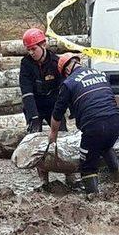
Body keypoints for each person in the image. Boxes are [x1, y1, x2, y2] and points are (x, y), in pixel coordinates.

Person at [48, 53, 119, 194]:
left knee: (87, 164)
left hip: (94, 124)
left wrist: (53, 134)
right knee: (105, 146)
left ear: (66, 70)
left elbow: (57, 113)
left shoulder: (69, 83)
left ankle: (93, 197)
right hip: (116, 120)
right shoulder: (100, 74)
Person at [20, 28, 76, 189]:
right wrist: (33, 117)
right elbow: (26, 91)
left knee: (63, 136)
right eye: (29, 49)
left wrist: (69, 108)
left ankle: (69, 175)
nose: (31, 52)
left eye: (34, 49)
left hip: (54, 103)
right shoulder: (26, 64)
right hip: (35, 104)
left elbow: (65, 88)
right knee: (35, 138)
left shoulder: (55, 61)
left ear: (43, 44)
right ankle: (43, 178)